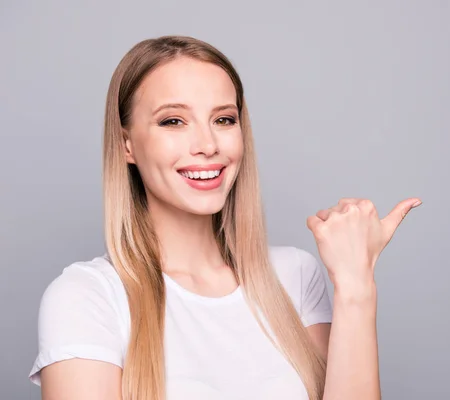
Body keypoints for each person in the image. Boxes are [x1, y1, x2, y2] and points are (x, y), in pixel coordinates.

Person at [28, 35, 422, 400]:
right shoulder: (88, 298)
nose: (207, 145)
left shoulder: (295, 277)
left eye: (223, 119)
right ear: (127, 144)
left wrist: (356, 285)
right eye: (173, 121)